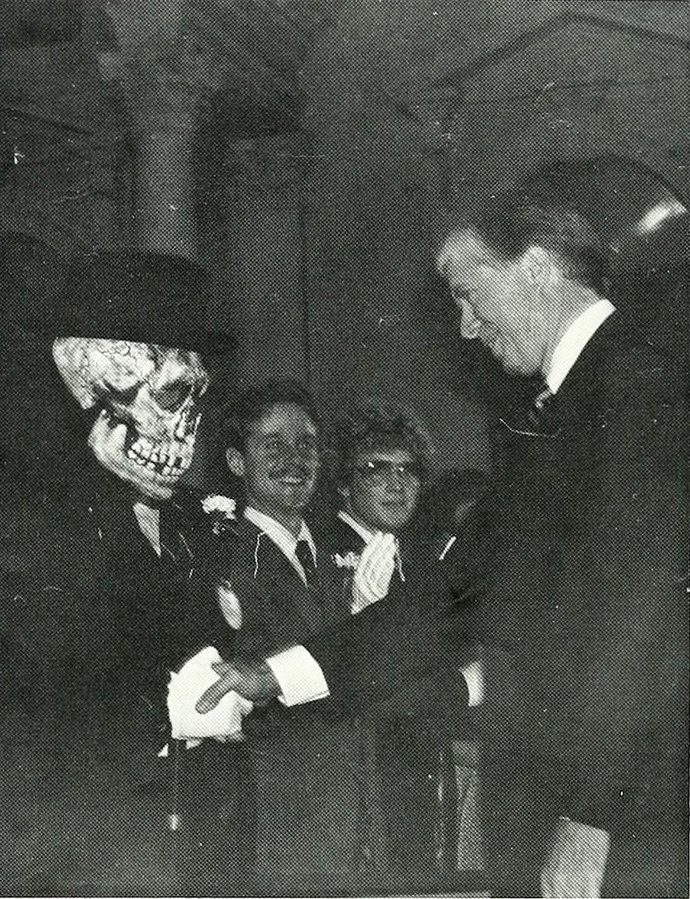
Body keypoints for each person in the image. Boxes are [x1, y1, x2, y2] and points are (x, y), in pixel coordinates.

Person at [195, 188, 688, 898]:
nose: (464, 325)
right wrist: (278, 674)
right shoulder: (562, 406)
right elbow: (455, 595)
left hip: (613, 825)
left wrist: (592, 816)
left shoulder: (640, 390)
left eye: (467, 293)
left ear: (535, 269)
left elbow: (646, 622)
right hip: (562, 811)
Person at [0, 248, 255, 896]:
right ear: (85, 385)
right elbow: (2, 710)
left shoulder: (190, 519)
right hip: (73, 858)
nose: (187, 427)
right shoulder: (11, 515)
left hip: (188, 851)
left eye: (198, 395)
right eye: (169, 395)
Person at [210, 380, 387, 894]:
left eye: (306, 444)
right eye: (274, 444)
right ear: (237, 461)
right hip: (277, 814)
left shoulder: (338, 554)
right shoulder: (221, 556)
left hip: (357, 807)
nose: (294, 459)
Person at [325, 400, 487, 879]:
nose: (397, 483)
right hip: (355, 773)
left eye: (408, 470)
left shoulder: (421, 560)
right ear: (344, 484)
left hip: (422, 762)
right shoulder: (322, 550)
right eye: (376, 469)